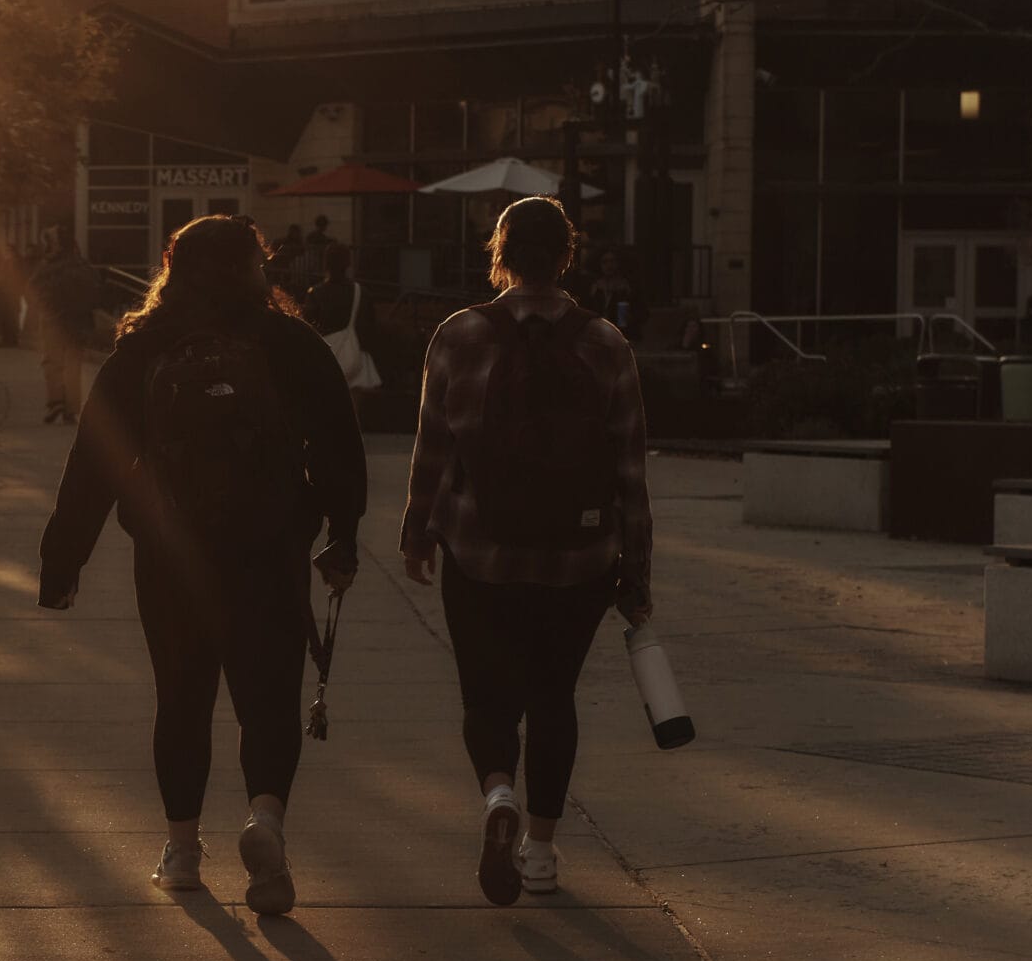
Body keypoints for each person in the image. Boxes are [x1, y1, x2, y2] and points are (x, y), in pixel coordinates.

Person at [40, 216, 368, 917]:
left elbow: (95, 460)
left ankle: (183, 851)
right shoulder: (288, 342)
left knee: (182, 698)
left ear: (171, 267)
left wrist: (62, 559)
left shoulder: (146, 348)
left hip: (170, 555)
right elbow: (340, 444)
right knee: (268, 698)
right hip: (269, 549)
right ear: (257, 266)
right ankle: (266, 821)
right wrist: (342, 533)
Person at [399, 196, 652, 907]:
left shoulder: (458, 334)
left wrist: (418, 531)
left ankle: (497, 793)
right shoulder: (604, 343)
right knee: (553, 699)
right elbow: (630, 468)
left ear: (499, 254)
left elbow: (433, 448)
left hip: (480, 552)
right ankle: (540, 851)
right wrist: (636, 568)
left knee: (487, 698)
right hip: (578, 559)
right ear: (567, 255)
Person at [302, 243, 383, 417]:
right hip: (354, 356)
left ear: (326, 264)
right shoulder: (361, 293)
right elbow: (369, 329)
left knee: (327, 410)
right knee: (353, 414)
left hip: (325, 357)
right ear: (348, 263)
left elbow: (307, 328)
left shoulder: (315, 293)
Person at [33, 231, 99, 424]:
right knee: (73, 365)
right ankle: (71, 406)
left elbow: (33, 289)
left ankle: (56, 401)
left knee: (52, 362)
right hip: (77, 322)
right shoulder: (82, 267)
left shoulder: (48, 268)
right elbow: (95, 292)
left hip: (53, 320)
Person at [583, 248, 636, 340]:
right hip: (598, 334)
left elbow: (639, 311)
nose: (609, 265)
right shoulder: (595, 287)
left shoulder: (626, 286)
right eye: (605, 262)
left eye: (612, 261)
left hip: (622, 335)